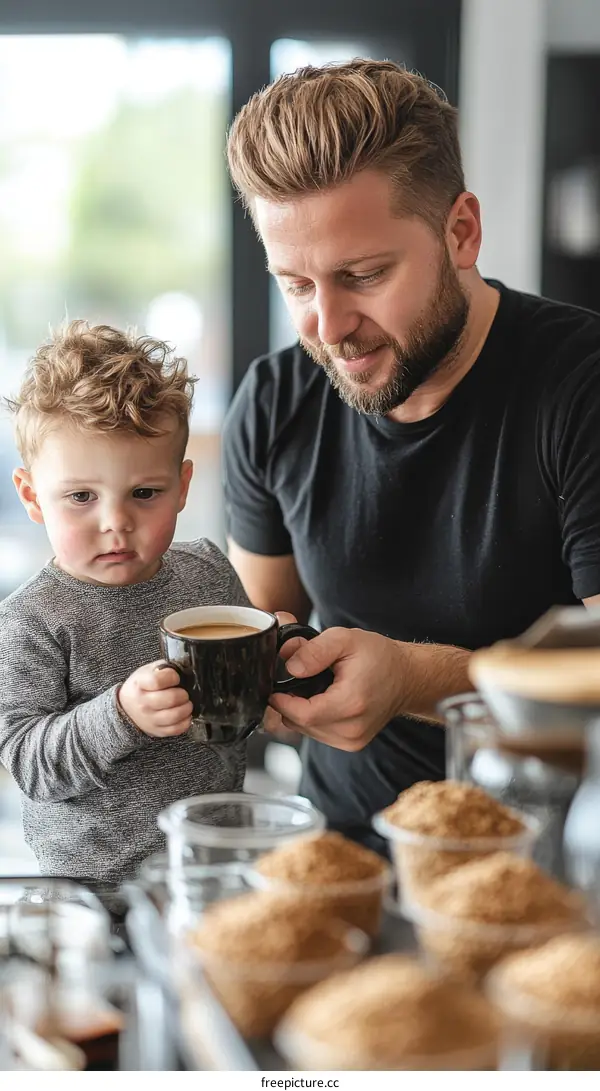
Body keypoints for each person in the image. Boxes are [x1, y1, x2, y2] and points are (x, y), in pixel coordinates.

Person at [222, 59, 600, 849]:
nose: (327, 325)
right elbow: (266, 623)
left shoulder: (580, 388)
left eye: (362, 275)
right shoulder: (274, 402)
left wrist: (414, 681)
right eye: (295, 284)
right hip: (338, 853)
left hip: (552, 862)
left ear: (460, 232)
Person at [0, 321, 250, 881]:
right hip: (97, 889)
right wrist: (121, 715)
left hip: (216, 869)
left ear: (182, 486)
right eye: (81, 497)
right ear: (32, 496)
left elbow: (240, 707)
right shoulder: (31, 622)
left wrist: (272, 662)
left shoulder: (208, 570)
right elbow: (29, 766)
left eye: (144, 493)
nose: (116, 522)